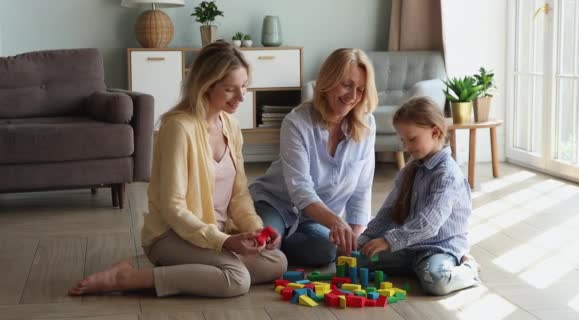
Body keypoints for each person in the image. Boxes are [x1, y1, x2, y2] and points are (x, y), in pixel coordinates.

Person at [69, 41, 287, 298]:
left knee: (277, 261)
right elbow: (173, 208)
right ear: (205, 85)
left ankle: (198, 267)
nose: (241, 97)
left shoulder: (231, 125)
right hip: (171, 236)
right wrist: (225, 242)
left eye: (244, 86)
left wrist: (257, 229)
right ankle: (127, 278)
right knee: (237, 279)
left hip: (215, 234)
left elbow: (239, 195)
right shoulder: (178, 128)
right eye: (230, 89)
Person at [249, 48, 378, 266]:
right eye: (346, 85)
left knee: (325, 251)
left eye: (360, 89)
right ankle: (272, 238)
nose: (352, 96)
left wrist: (355, 236)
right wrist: (337, 223)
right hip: (276, 204)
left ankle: (283, 243)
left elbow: (361, 190)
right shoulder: (296, 123)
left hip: (317, 219)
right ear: (328, 81)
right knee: (264, 250)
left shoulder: (367, 125)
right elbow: (301, 189)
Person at [358, 96, 480, 296]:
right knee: (357, 260)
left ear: (435, 132)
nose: (406, 146)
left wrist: (389, 241)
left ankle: (469, 268)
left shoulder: (447, 174)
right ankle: (416, 268)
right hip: (409, 248)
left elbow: (430, 223)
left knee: (436, 281)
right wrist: (364, 239)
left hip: (440, 248)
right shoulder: (409, 170)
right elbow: (388, 212)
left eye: (412, 139)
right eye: (403, 140)